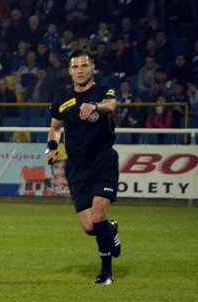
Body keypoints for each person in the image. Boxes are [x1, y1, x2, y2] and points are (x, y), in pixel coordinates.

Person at [45, 50, 122, 285]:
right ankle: (110, 229)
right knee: (90, 226)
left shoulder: (103, 92)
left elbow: (111, 105)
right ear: (69, 71)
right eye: (75, 67)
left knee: (98, 215)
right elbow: (55, 127)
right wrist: (51, 148)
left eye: (84, 66)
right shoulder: (61, 97)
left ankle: (106, 273)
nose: (80, 70)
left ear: (92, 68)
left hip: (102, 160)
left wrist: (95, 107)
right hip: (76, 165)